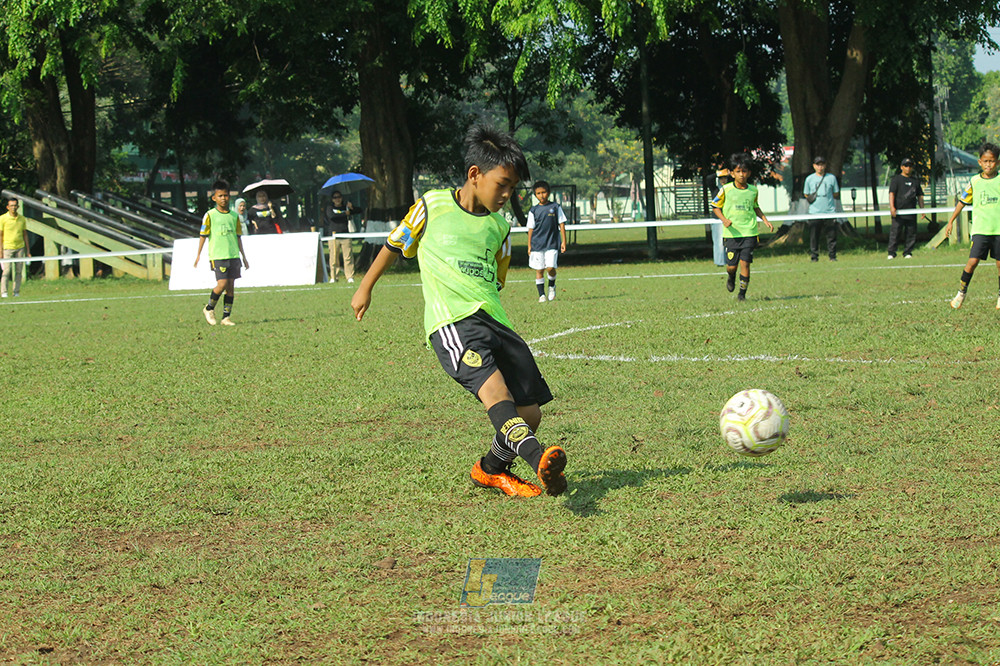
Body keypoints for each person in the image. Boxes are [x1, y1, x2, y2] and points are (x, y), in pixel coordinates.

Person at [351, 125, 567, 498]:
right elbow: (393, 244)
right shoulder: (432, 205)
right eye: (502, 184)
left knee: (529, 414)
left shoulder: (500, 227)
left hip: (496, 320)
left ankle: (489, 469)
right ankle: (540, 462)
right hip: (452, 322)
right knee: (498, 399)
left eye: (513, 188)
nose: (506, 195)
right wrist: (365, 287)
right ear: (474, 175)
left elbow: (497, 279)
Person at [944, 142, 1000, 309]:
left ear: (997, 162)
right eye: (985, 161)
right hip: (981, 230)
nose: (988, 164)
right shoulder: (974, 181)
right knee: (972, 261)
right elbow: (962, 202)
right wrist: (951, 220)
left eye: (992, 161)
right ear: (979, 162)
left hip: (998, 230)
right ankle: (961, 293)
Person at [711, 153, 774, 301]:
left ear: (749, 173)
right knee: (731, 266)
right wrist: (724, 220)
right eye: (738, 171)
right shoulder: (725, 189)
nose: (741, 174)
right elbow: (715, 206)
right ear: (732, 173)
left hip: (749, 232)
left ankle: (742, 295)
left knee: (745, 263)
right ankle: (731, 276)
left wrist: (765, 219)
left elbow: (755, 207)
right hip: (732, 234)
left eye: (744, 171)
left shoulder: (753, 190)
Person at [194, 180, 249, 326]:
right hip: (218, 255)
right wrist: (198, 254)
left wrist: (243, 256)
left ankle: (226, 317)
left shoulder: (234, 216)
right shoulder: (210, 215)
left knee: (230, 286)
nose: (223, 198)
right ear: (214, 198)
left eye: (226, 195)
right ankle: (209, 308)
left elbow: (238, 237)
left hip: (233, 255)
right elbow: (203, 235)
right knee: (222, 284)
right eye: (220, 196)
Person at [526, 180, 567, 302]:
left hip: (552, 243)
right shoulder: (533, 210)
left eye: (543, 192)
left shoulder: (555, 207)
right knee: (539, 270)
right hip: (537, 244)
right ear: (535, 195)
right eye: (538, 193)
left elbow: (562, 224)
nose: (541, 195)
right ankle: (541, 295)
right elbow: (530, 229)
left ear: (548, 193)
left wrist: (564, 242)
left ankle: (551, 287)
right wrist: (529, 245)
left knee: (550, 267)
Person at [803, 156, 840, 261]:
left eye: (822, 164)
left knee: (831, 236)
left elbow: (836, 193)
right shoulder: (809, 179)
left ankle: (832, 256)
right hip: (814, 212)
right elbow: (806, 194)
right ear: (814, 166)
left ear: (825, 165)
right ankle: (814, 256)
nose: (820, 167)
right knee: (814, 236)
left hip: (829, 211)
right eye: (818, 165)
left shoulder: (831, 178)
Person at [887, 158, 924, 260]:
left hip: (911, 212)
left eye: (910, 166)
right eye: (906, 166)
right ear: (902, 167)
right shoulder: (896, 180)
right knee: (895, 233)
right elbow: (892, 194)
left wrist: (922, 210)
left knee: (911, 233)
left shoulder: (915, 181)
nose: (908, 168)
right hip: (898, 213)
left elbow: (920, 196)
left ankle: (908, 252)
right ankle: (891, 253)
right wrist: (892, 207)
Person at [322, 190, 356, 283]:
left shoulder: (346, 207)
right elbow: (332, 216)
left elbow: (357, 211)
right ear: (332, 199)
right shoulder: (329, 208)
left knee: (348, 257)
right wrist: (344, 213)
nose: (337, 199)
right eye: (335, 197)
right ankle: (334, 277)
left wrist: (351, 208)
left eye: (339, 197)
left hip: (345, 234)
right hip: (333, 235)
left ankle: (349, 276)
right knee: (333, 257)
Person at [1, 197, 31, 298]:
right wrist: (0, 251)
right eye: (11, 206)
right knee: (7, 270)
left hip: (20, 247)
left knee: (19, 271)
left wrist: (28, 250)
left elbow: (25, 234)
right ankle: (4, 292)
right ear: (7, 207)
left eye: (15, 205)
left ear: (18, 207)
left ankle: (16, 291)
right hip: (7, 247)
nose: (13, 208)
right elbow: (0, 235)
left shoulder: (22, 219)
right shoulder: (2, 218)